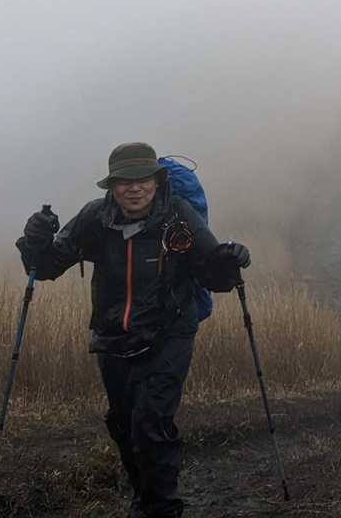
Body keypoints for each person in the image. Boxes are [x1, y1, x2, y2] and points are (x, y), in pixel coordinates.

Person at [16, 142, 252, 518]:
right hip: (113, 337)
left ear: (157, 181)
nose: (135, 188)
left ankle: (162, 508)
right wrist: (35, 240)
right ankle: (144, 497)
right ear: (112, 186)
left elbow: (214, 275)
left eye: (143, 179)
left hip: (170, 333)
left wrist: (229, 260)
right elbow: (45, 267)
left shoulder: (179, 215)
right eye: (125, 181)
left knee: (151, 422)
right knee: (123, 423)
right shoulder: (95, 218)